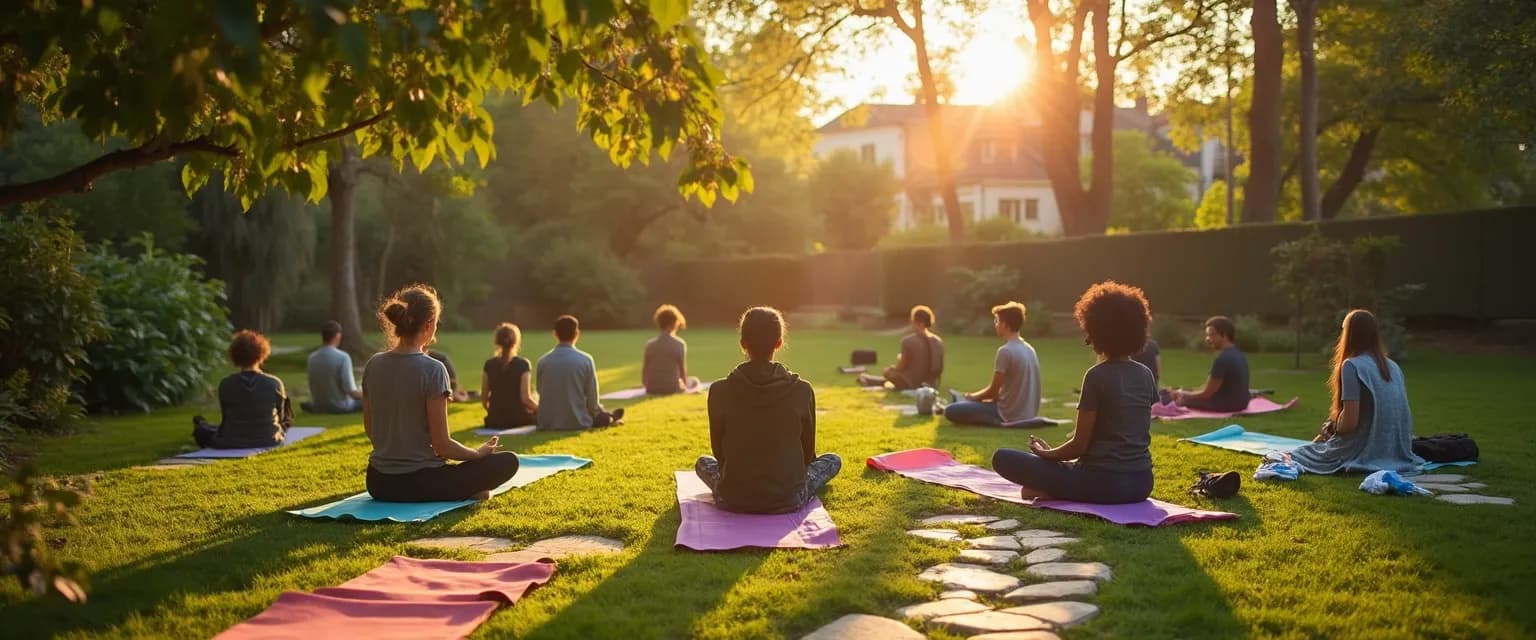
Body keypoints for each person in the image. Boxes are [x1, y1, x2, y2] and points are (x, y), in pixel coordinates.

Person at [992, 282, 1156, 504]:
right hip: (1142, 483)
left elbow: (1079, 446)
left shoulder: (1097, 376)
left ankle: (1056, 490)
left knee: (1002, 458)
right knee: (1040, 481)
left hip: (1103, 483)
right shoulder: (1146, 374)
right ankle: (1059, 488)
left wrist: (1045, 454)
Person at [363, 285, 520, 503]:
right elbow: (442, 445)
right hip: (420, 482)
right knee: (509, 461)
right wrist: (478, 454)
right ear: (428, 325)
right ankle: (465, 491)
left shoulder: (373, 364)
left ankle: (463, 489)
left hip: (378, 483)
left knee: (464, 474)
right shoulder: (433, 369)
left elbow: (371, 430)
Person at [695, 307, 842, 513]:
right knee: (833, 460)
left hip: (732, 496)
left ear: (743, 343)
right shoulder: (802, 390)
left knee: (703, 462)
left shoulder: (719, 390)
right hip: (789, 497)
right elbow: (808, 454)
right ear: (779, 343)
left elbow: (719, 453)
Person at [1289, 310, 1424, 474]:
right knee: (1313, 448)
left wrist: (1332, 430)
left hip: (1364, 448)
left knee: (1297, 455)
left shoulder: (1352, 366)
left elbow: (1349, 424)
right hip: (1394, 450)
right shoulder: (1393, 367)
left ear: (1349, 335)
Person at [944, 302, 1043, 427]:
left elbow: (993, 391)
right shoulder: (1029, 349)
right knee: (963, 405)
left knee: (951, 410)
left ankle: (993, 420)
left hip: (1007, 414)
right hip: (1028, 414)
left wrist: (972, 397)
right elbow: (1000, 392)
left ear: (1005, 325)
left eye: (997, 321)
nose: (995, 325)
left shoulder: (1006, 351)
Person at [194, 330, 293, 448]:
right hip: (269, 439)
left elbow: (226, 420)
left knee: (202, 429)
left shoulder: (226, 384)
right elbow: (281, 419)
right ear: (262, 354)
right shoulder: (274, 383)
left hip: (230, 441)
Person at [536, 315, 624, 431]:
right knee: (602, 417)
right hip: (577, 421)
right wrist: (600, 412)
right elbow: (592, 402)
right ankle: (611, 418)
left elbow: (540, 390)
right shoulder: (585, 360)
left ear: (555, 334)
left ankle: (610, 417)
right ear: (577, 333)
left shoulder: (543, 361)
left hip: (548, 422)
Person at [1168, 316, 1249, 412]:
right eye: (1207, 335)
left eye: (1212, 335)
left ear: (1224, 335)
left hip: (1227, 405)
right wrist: (1186, 392)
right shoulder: (1239, 354)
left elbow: (1206, 394)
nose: (1207, 339)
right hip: (1242, 403)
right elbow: (1211, 388)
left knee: (1180, 400)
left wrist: (1181, 394)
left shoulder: (1222, 359)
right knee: (1188, 394)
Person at [858, 305, 944, 390]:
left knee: (889, 371)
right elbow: (939, 368)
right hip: (931, 384)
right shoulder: (938, 341)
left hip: (911, 384)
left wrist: (895, 365)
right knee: (896, 374)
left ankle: (869, 380)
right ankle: (870, 380)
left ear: (915, 321)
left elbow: (900, 368)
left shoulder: (908, 341)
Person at [481, 323, 538, 429]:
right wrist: (540, 409)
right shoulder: (523, 364)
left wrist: (494, 412)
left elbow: (484, 398)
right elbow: (525, 398)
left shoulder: (489, 364)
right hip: (518, 419)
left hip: (494, 420)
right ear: (516, 342)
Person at [302, 321, 363, 414]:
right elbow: (351, 391)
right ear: (338, 336)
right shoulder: (343, 357)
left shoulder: (312, 358)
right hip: (341, 406)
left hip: (319, 406)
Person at [642, 304, 701, 395]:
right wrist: (685, 387)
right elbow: (682, 370)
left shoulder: (650, 345)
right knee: (694, 381)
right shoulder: (679, 344)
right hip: (672, 388)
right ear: (674, 323)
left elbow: (645, 369)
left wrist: (647, 386)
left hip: (651, 388)